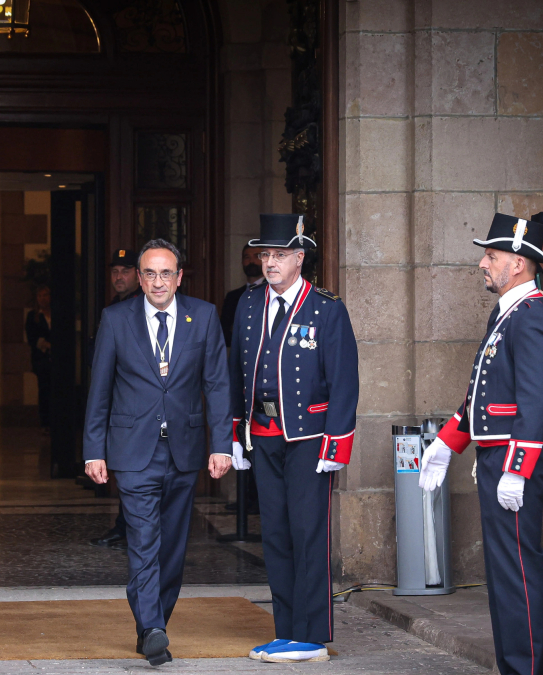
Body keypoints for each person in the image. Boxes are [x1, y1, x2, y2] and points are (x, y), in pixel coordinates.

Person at [418, 213, 543, 675]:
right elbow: (483, 392)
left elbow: (537, 400)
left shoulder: (533, 317)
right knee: (504, 574)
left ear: (519, 264)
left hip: (517, 457)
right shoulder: (506, 313)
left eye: (492, 256)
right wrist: (447, 444)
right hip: (499, 454)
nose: (483, 263)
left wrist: (518, 467)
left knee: (517, 573)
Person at [83, 238, 232, 666]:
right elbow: (101, 391)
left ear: (179, 277)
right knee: (144, 541)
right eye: (150, 273)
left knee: (172, 550)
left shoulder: (201, 316)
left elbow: (217, 385)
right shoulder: (115, 320)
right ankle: (152, 628)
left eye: (166, 273)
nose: (158, 281)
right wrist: (94, 451)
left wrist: (221, 444)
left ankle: (153, 623)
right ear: (140, 278)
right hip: (131, 452)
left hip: (184, 451)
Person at [228, 214, 359, 663]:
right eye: (265, 254)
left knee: (308, 534)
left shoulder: (326, 308)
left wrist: (337, 444)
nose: (269, 262)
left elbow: (344, 381)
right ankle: (286, 630)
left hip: (309, 437)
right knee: (277, 536)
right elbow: (235, 372)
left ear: (299, 258)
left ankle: (312, 635)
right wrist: (235, 432)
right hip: (262, 434)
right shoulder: (247, 304)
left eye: (279, 254)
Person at [89, 248, 144, 551]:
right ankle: (126, 526)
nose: (118, 277)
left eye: (124, 271)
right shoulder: (115, 307)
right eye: (114, 271)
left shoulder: (139, 307)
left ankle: (130, 528)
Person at [220, 243, 267, 516]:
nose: (250, 261)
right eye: (245, 256)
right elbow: (228, 334)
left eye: (255, 256)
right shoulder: (237, 297)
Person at [25, 284, 52, 428]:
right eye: (40, 296)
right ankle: (45, 423)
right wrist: (46, 345)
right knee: (44, 389)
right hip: (42, 358)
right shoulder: (33, 316)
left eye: (45, 295)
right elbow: (32, 337)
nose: (42, 299)